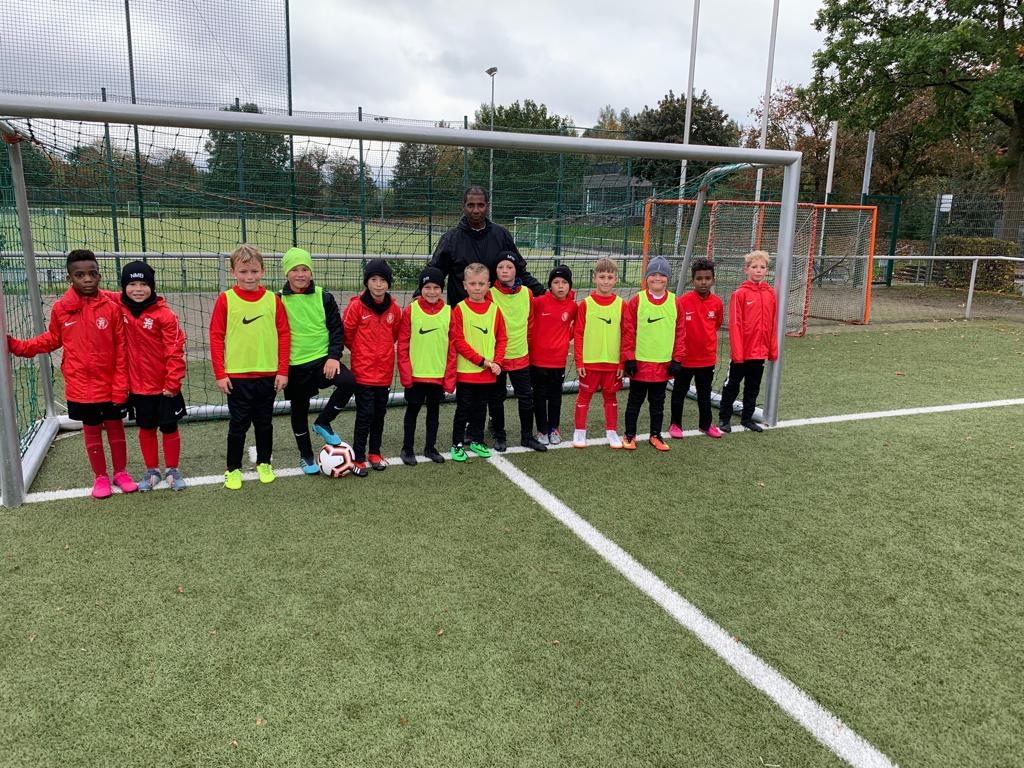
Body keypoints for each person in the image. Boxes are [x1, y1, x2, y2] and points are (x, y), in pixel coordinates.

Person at [6, 249, 136, 499]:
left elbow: (121, 350)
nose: (87, 279)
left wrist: (121, 385)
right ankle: (100, 477)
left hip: (111, 385)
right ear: (69, 278)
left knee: (116, 429)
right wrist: (20, 347)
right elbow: (53, 339)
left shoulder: (111, 308)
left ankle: (121, 473)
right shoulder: (61, 309)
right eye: (80, 275)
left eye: (92, 274)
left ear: (99, 276)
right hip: (81, 387)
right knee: (91, 430)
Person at [209, 244, 290, 489]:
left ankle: (264, 462)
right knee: (238, 424)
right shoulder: (226, 299)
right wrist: (220, 373)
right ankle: (233, 469)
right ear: (233, 272)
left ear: (262, 271)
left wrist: (282, 371)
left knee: (264, 423)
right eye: (243, 272)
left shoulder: (273, 300)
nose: (249, 277)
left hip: (267, 375)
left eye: (254, 271)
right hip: (237, 377)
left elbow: (284, 335)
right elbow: (216, 336)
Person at [278, 247, 356, 475]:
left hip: (323, 361)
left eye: (305, 269)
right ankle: (306, 455)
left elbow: (336, 330)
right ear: (286, 273)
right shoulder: (278, 300)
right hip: (295, 366)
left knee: (349, 382)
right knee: (299, 410)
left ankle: (323, 422)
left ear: (311, 272)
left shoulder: (324, 296)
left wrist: (333, 357)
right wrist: (280, 369)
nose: (300, 274)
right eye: (295, 270)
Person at [115, 261, 189, 491]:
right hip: (138, 387)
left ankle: (173, 469)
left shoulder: (165, 315)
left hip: (165, 387)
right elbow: (98, 294)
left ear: (152, 286)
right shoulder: (120, 308)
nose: (138, 289)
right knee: (146, 428)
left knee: (169, 427)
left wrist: (172, 382)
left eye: (144, 284)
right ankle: (152, 471)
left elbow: (175, 350)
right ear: (124, 287)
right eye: (132, 284)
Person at [426, 186, 544, 306]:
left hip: (496, 311)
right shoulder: (450, 239)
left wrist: (544, 294)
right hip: (460, 311)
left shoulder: (501, 235)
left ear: (487, 206)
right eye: (471, 205)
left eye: (480, 205)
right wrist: (419, 295)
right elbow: (434, 273)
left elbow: (519, 271)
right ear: (463, 207)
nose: (476, 210)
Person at [343, 258, 401, 476]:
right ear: (367, 282)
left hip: (384, 373)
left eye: (383, 280)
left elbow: (394, 334)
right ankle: (358, 456)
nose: (378, 284)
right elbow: (348, 334)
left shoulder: (394, 308)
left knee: (379, 414)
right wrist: (361, 352)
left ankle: (374, 452)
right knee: (365, 414)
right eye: (374, 279)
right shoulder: (356, 306)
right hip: (363, 372)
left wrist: (382, 353)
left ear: (388, 283)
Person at [487, 252, 548, 453]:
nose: (505, 271)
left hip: (520, 355)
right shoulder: (489, 294)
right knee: (497, 397)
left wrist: (527, 346)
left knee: (526, 396)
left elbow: (530, 323)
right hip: (497, 357)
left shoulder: (527, 293)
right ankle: (499, 434)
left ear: (516, 270)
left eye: (509, 267)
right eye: (501, 267)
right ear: (495, 271)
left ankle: (526, 436)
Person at [621, 256, 682, 451]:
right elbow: (628, 332)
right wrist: (629, 358)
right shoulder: (637, 300)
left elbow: (681, 333)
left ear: (668, 278)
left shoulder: (675, 302)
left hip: (663, 364)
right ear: (646, 277)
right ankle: (629, 434)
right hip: (640, 364)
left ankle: (655, 435)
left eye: (662, 275)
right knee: (635, 401)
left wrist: (677, 359)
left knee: (658, 403)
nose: (657, 278)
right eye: (653, 274)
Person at [397, 266, 456, 466]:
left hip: (437, 375)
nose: (432, 292)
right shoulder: (410, 311)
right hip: (415, 375)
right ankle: (407, 449)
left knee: (434, 413)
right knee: (412, 411)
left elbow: (453, 348)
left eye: (436, 287)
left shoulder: (448, 312)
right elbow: (403, 346)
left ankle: (430, 448)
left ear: (442, 290)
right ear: (421, 289)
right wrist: (406, 374)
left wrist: (449, 378)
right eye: (427, 287)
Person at [449, 262, 507, 462]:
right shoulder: (459, 309)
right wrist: (482, 361)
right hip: (467, 372)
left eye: (481, 284)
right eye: (472, 283)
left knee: (481, 408)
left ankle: (477, 440)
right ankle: (457, 443)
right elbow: (458, 341)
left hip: (487, 373)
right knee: (463, 408)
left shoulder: (495, 310)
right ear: (465, 285)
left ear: (488, 285)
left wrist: (497, 362)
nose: (477, 288)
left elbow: (502, 339)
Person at [718, 250, 778, 434]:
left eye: (762, 267)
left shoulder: (770, 294)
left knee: (753, 387)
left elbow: (773, 323)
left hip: (759, 352)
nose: (758, 270)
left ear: (767, 270)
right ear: (747, 270)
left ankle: (747, 418)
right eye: (754, 267)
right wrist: (737, 353)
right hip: (742, 353)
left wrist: (771, 349)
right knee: (732, 385)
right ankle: (724, 418)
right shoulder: (740, 294)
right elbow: (735, 325)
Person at [668, 257, 725, 439]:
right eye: (699, 278)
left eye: (707, 278)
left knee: (704, 394)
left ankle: (705, 424)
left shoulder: (717, 303)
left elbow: (716, 324)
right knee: (679, 393)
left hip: (707, 359)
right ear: (693, 280)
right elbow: (676, 328)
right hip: (685, 359)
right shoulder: (682, 302)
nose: (703, 282)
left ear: (713, 280)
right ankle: (675, 424)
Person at [572, 258, 624, 449]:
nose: (606, 281)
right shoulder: (585, 304)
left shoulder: (621, 304)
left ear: (616, 279)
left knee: (611, 398)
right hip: (589, 362)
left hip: (612, 363)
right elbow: (578, 334)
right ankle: (579, 431)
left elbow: (627, 336)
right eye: (602, 277)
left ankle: (611, 431)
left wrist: (622, 363)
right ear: (594, 278)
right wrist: (579, 361)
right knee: (584, 397)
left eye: (610, 277)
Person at [528, 264, 576, 445]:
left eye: (564, 282)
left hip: (558, 361)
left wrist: (564, 339)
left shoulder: (573, 306)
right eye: (556, 282)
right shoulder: (539, 302)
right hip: (537, 360)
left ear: (569, 286)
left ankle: (554, 428)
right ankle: (542, 430)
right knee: (539, 396)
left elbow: (577, 327)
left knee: (555, 397)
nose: (560, 286)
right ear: (550, 285)